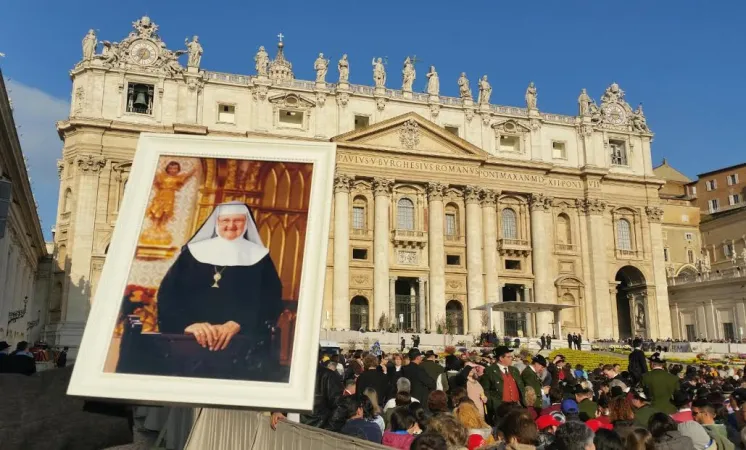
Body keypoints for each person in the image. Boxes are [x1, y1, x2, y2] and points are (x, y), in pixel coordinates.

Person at [150, 202, 284, 380]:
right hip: (189, 341)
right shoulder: (193, 253)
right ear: (216, 222)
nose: (231, 226)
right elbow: (168, 293)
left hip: (241, 343)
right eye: (225, 220)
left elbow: (271, 299)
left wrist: (238, 323)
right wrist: (186, 325)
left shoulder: (259, 256)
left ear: (247, 224)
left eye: (238, 220)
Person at [481, 346, 525, 424]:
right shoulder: (490, 371)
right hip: (501, 407)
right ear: (501, 358)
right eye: (508, 357)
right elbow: (485, 389)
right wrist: (492, 403)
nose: (511, 358)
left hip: (516, 406)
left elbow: (520, 387)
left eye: (511, 356)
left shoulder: (514, 370)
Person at [300, 357, 343, 429]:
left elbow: (339, 406)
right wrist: (279, 411)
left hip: (315, 430)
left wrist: (327, 430)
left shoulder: (328, 376)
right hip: (289, 428)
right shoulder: (291, 374)